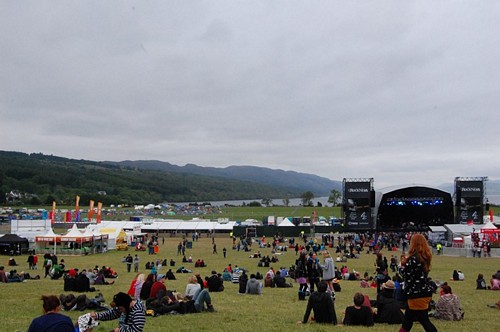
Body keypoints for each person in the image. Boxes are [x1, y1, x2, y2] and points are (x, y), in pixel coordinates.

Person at [399, 233, 437, 332]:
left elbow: (406, 274)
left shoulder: (413, 259)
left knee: (424, 320)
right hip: (424, 292)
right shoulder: (424, 258)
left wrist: (401, 266)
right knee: (407, 320)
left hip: (416, 294)